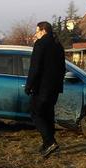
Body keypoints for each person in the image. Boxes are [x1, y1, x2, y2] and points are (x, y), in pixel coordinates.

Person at [25, 21, 66, 158]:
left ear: (43, 31)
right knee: (48, 114)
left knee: (35, 113)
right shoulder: (58, 45)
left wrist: (29, 85)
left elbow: (35, 68)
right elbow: (63, 68)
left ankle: (50, 142)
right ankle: (46, 143)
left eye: (37, 31)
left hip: (41, 87)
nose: (36, 34)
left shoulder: (40, 44)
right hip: (55, 88)